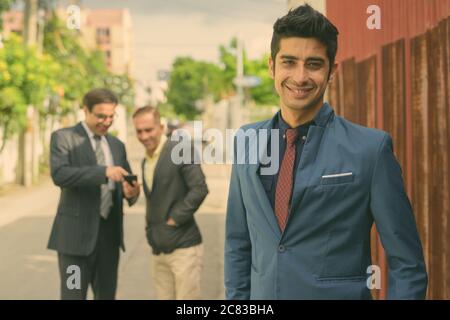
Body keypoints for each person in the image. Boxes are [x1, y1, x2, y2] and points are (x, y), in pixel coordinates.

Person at [224, 4, 427, 300]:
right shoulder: (246, 140)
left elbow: (407, 263)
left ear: (333, 70)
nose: (300, 76)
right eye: (289, 62)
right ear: (272, 67)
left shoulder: (371, 150)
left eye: (314, 64)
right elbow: (238, 245)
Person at [47, 88, 140, 300]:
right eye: (100, 116)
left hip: (109, 240)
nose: (106, 121)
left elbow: (124, 183)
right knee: (73, 296)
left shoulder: (117, 146)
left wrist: (131, 192)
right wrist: (104, 172)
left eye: (111, 116)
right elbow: (60, 175)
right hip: (74, 243)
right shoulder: (64, 138)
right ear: (85, 111)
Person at [132, 106, 208, 300]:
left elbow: (199, 188)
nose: (143, 136)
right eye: (139, 131)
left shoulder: (179, 149)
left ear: (161, 127)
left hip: (184, 248)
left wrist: (173, 220)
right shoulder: (146, 160)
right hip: (158, 249)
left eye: (148, 129)